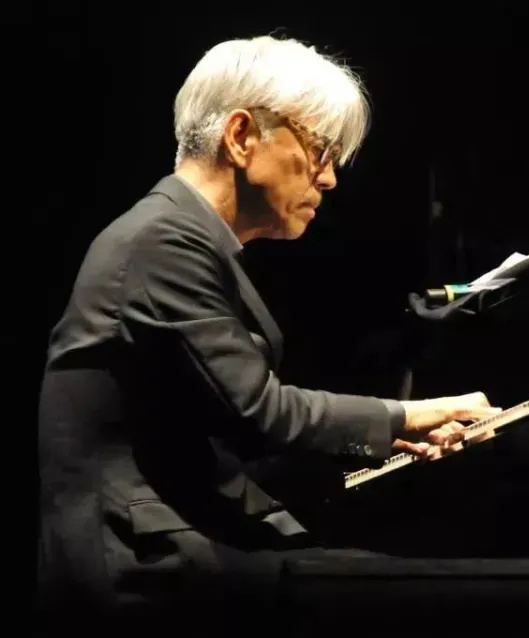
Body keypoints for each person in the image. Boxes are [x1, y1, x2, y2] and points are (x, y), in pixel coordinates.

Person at [36, 35, 500, 623]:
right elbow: (260, 414)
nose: (329, 179)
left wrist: (379, 444)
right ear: (241, 136)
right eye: (320, 150)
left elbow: (215, 438)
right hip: (149, 568)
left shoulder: (181, 238)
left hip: (186, 543)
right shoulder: (162, 242)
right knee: (481, 602)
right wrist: (407, 415)